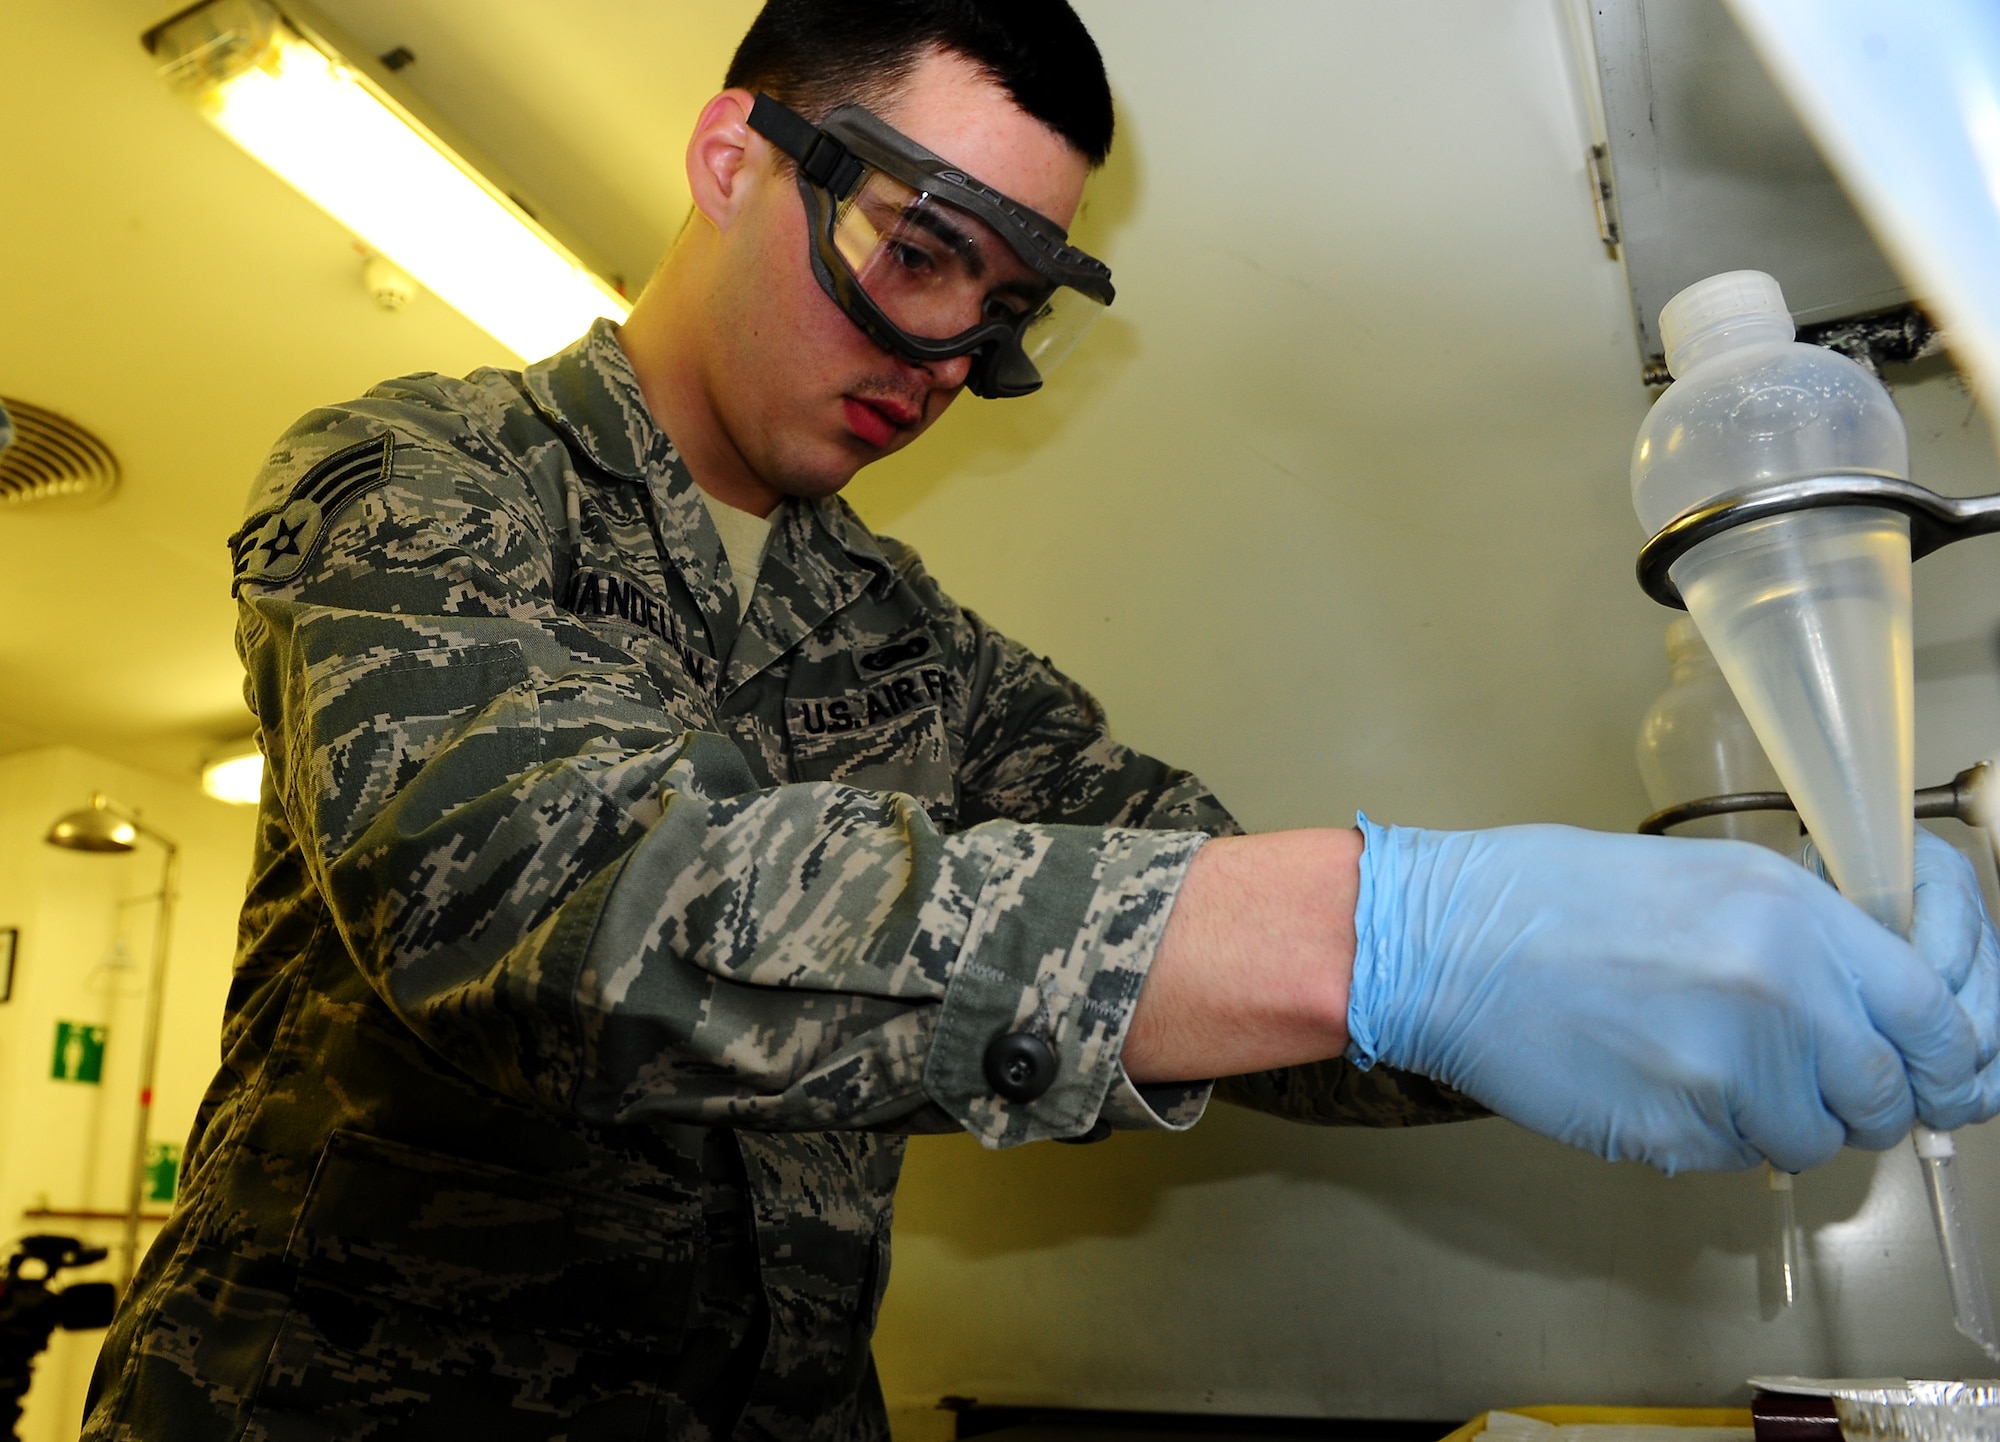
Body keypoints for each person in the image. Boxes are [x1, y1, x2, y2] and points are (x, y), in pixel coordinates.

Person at [83, 2, 2000, 1438]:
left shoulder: (917, 650)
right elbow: (561, 909)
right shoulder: (425, 479)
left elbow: (1228, 943)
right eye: (920, 255)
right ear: (735, 159)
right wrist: (1390, 929)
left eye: (1001, 315)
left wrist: (1679, 952)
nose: (942, 366)